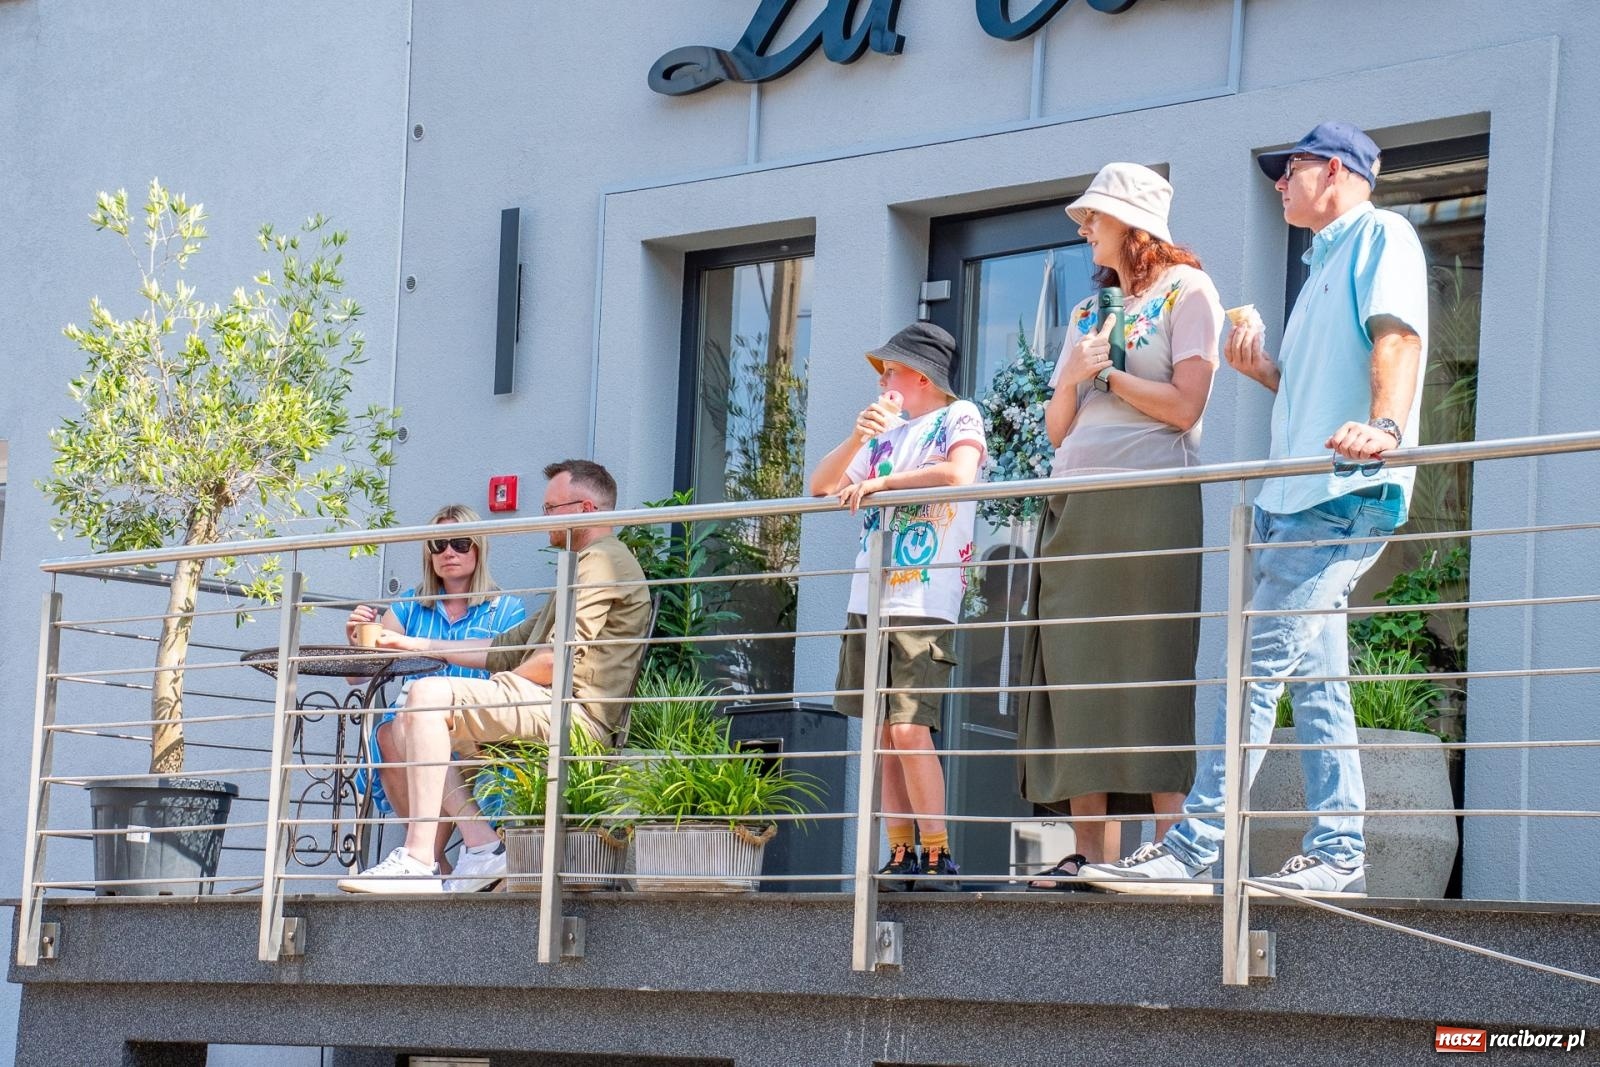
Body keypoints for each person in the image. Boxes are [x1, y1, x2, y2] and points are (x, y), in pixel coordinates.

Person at [1081, 121, 1428, 897]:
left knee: (1252, 672)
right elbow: (1314, 393)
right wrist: (1264, 369)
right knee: (1317, 685)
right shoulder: (1324, 263)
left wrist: (1387, 428)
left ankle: (1196, 842)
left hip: (1337, 496)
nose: (1278, 182)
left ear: (1334, 172)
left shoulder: (1382, 233)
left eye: (1291, 169)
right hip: (1296, 497)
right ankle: (1339, 848)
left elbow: (1397, 340)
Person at [1015, 163, 1222, 888]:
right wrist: (1073, 373)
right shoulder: (1085, 312)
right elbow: (1056, 427)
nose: (1082, 229)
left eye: (1092, 217)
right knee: (1078, 674)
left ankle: (1175, 849)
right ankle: (1089, 854)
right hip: (1077, 506)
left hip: (1149, 506)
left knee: (1151, 667)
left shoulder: (1188, 292)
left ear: (1131, 223)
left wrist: (1104, 377)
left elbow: (1186, 405)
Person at [337, 460, 652, 894]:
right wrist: (410, 645)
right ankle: (482, 848)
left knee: (427, 696)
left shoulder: (603, 561)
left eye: (550, 508)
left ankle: (419, 858)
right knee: (415, 709)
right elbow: (500, 649)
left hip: (574, 717)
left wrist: (486, 690)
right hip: (549, 708)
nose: (543, 520)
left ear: (584, 508)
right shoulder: (581, 566)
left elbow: (553, 662)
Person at [810, 321, 987, 891]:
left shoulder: (959, 415)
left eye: (890, 371)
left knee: (909, 727)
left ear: (920, 376)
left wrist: (885, 486)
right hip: (872, 596)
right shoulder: (885, 436)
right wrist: (858, 439)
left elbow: (960, 473)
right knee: (885, 731)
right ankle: (900, 850)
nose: (883, 381)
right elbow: (820, 485)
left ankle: (938, 851)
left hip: (924, 595)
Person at [347, 504, 527, 867]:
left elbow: (516, 672)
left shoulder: (506, 609)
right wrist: (356, 640)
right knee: (391, 731)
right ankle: (435, 858)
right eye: (439, 545)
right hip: (413, 724)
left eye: (460, 543)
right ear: (428, 554)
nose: (449, 553)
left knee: (428, 729)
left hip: (477, 721)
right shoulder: (410, 607)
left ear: (478, 548)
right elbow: (359, 675)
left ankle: (424, 859)